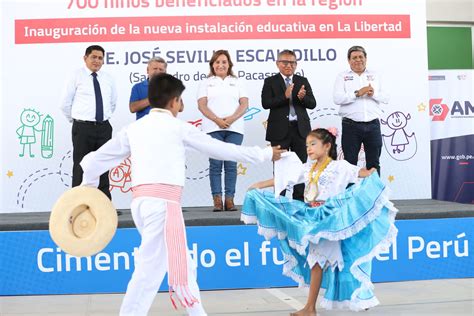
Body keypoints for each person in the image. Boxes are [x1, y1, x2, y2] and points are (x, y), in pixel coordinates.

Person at [79, 73, 285, 316]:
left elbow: (91, 163)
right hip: (163, 207)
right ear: (174, 101)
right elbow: (221, 149)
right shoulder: (178, 128)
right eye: (180, 100)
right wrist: (263, 154)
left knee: (184, 267)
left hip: (143, 205)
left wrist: (88, 193)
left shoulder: (133, 129)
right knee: (149, 272)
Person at [242, 128, 398, 315]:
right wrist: (259, 185)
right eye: (307, 145)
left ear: (327, 146)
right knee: (329, 261)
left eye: (313, 144)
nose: (308, 148)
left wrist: (371, 173)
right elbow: (283, 179)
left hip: (331, 220)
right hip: (313, 218)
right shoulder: (307, 169)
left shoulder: (340, 167)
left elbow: (362, 173)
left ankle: (318, 306)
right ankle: (325, 304)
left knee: (328, 260)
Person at [60, 45, 117, 200]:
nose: (97, 61)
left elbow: (112, 103)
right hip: (83, 127)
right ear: (85, 58)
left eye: (100, 58)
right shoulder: (76, 76)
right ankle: (77, 203)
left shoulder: (108, 78)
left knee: (103, 165)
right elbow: (65, 103)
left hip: (104, 127)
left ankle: (104, 204)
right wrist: (76, 120)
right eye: (93, 57)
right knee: (81, 166)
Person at [261, 49, 317, 201]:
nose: (288, 66)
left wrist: (303, 98)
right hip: (279, 132)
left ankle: (299, 201)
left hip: (300, 131)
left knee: (301, 168)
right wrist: (284, 96)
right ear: (278, 64)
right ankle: (280, 201)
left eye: (292, 63)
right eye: (285, 62)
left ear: (296, 65)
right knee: (280, 169)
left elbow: (312, 104)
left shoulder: (302, 81)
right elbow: (266, 103)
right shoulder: (270, 81)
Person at [197, 50, 249, 212]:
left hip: (235, 128)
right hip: (213, 128)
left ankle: (230, 200)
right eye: (217, 62)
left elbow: (244, 104)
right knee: (215, 164)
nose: (221, 65)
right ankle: (217, 200)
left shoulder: (237, 82)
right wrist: (217, 120)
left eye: (224, 62)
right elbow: (202, 105)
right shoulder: (206, 83)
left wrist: (232, 119)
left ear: (229, 64)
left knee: (231, 165)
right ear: (212, 65)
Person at [333, 46, 389, 175]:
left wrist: (373, 93)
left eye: (360, 57)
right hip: (350, 126)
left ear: (366, 58)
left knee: (374, 163)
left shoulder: (376, 75)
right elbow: (337, 98)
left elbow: (386, 97)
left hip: (373, 125)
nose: (358, 60)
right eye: (354, 58)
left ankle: (374, 194)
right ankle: (350, 195)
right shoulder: (342, 76)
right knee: (349, 164)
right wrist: (357, 93)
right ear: (349, 60)